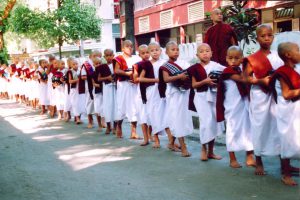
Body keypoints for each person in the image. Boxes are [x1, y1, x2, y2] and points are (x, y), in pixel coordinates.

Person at [243, 24, 284, 176]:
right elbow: (245, 78)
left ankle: (284, 162)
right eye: (263, 36)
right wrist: (260, 81)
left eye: (269, 35)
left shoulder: (279, 55)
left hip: (278, 96)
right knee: (259, 128)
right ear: (257, 38)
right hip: (260, 96)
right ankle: (259, 161)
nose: (267, 38)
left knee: (280, 129)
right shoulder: (253, 58)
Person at [216, 46, 255, 168]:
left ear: (241, 59)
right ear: (226, 59)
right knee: (232, 130)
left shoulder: (240, 69)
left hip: (244, 104)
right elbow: (244, 80)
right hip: (232, 106)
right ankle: (232, 158)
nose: (233, 61)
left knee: (248, 129)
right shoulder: (228, 71)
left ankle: (249, 156)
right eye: (230, 58)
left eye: (237, 58)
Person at [269, 42, 300, 186]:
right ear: (288, 55)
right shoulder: (283, 72)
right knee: (287, 140)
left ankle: (287, 167)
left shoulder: (295, 69)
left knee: (294, 140)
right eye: (298, 50)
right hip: (287, 111)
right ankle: (286, 174)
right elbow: (287, 94)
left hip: (296, 109)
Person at [187, 43, 224, 161]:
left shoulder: (217, 66)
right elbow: (194, 85)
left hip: (214, 96)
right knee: (205, 123)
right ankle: (203, 149)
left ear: (211, 53)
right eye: (202, 51)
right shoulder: (194, 68)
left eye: (207, 51)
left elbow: (226, 74)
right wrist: (205, 81)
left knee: (213, 123)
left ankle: (211, 152)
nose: (205, 53)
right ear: (197, 55)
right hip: (201, 97)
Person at [159, 41, 193, 157]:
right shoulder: (165, 66)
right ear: (166, 52)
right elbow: (166, 79)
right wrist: (179, 76)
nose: (175, 51)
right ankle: (183, 147)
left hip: (184, 94)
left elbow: (190, 74)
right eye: (172, 50)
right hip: (174, 95)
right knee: (177, 119)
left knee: (179, 118)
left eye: (177, 49)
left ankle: (171, 143)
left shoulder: (184, 63)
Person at [113, 40, 141, 139]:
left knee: (134, 106)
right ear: (123, 48)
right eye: (127, 46)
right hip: (123, 85)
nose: (129, 48)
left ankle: (133, 132)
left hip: (133, 85)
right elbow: (116, 70)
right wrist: (126, 73)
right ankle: (119, 127)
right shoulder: (119, 58)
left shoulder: (136, 59)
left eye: (131, 46)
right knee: (122, 105)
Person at [133, 44, 153, 146]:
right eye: (143, 53)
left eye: (147, 52)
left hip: (152, 92)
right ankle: (146, 138)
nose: (146, 55)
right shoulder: (138, 65)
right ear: (139, 54)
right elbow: (135, 79)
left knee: (151, 115)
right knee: (143, 116)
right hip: (141, 93)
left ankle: (151, 135)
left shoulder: (153, 63)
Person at [78, 50, 102, 128]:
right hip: (89, 86)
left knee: (99, 103)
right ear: (90, 57)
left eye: (98, 56)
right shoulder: (86, 65)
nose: (96, 58)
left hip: (99, 86)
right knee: (90, 102)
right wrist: (92, 76)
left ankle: (101, 121)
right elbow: (83, 76)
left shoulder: (100, 63)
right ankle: (90, 121)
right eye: (94, 56)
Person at [98, 49, 117, 134]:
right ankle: (108, 126)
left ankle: (116, 127)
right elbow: (99, 79)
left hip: (116, 88)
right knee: (107, 107)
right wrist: (107, 78)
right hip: (107, 88)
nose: (109, 57)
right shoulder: (102, 67)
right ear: (104, 56)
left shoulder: (116, 64)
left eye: (110, 55)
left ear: (113, 55)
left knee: (116, 106)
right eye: (107, 55)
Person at [67, 58, 82, 124]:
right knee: (75, 103)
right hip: (74, 89)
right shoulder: (70, 71)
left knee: (80, 103)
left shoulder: (81, 70)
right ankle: (77, 117)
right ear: (71, 65)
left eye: (76, 64)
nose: (75, 65)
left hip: (81, 88)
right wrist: (77, 80)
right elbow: (70, 81)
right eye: (73, 64)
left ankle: (79, 117)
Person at [93, 57, 104, 132]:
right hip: (97, 92)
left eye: (100, 63)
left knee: (104, 108)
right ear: (93, 65)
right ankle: (99, 125)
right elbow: (93, 83)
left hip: (104, 92)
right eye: (96, 64)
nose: (98, 65)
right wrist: (100, 85)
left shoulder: (104, 72)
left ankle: (104, 122)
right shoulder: (93, 73)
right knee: (98, 109)